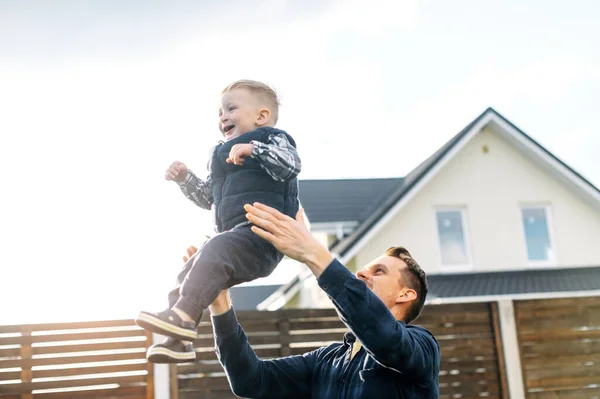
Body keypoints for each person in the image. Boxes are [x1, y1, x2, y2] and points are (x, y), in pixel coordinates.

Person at [135, 80, 301, 363]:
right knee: (190, 269)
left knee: (216, 247)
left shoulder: (273, 138)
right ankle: (179, 339)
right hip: (233, 240)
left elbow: (291, 164)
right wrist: (184, 178)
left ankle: (183, 316)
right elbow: (207, 197)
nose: (222, 116)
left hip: (263, 237)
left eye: (231, 109)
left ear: (261, 116)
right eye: (219, 112)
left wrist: (255, 149)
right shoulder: (220, 155)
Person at [205, 202, 440, 398]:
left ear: (405, 295)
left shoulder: (423, 347)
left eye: (379, 271)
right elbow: (251, 380)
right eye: (365, 269)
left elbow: (383, 337)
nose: (361, 274)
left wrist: (312, 252)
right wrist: (220, 302)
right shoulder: (325, 360)